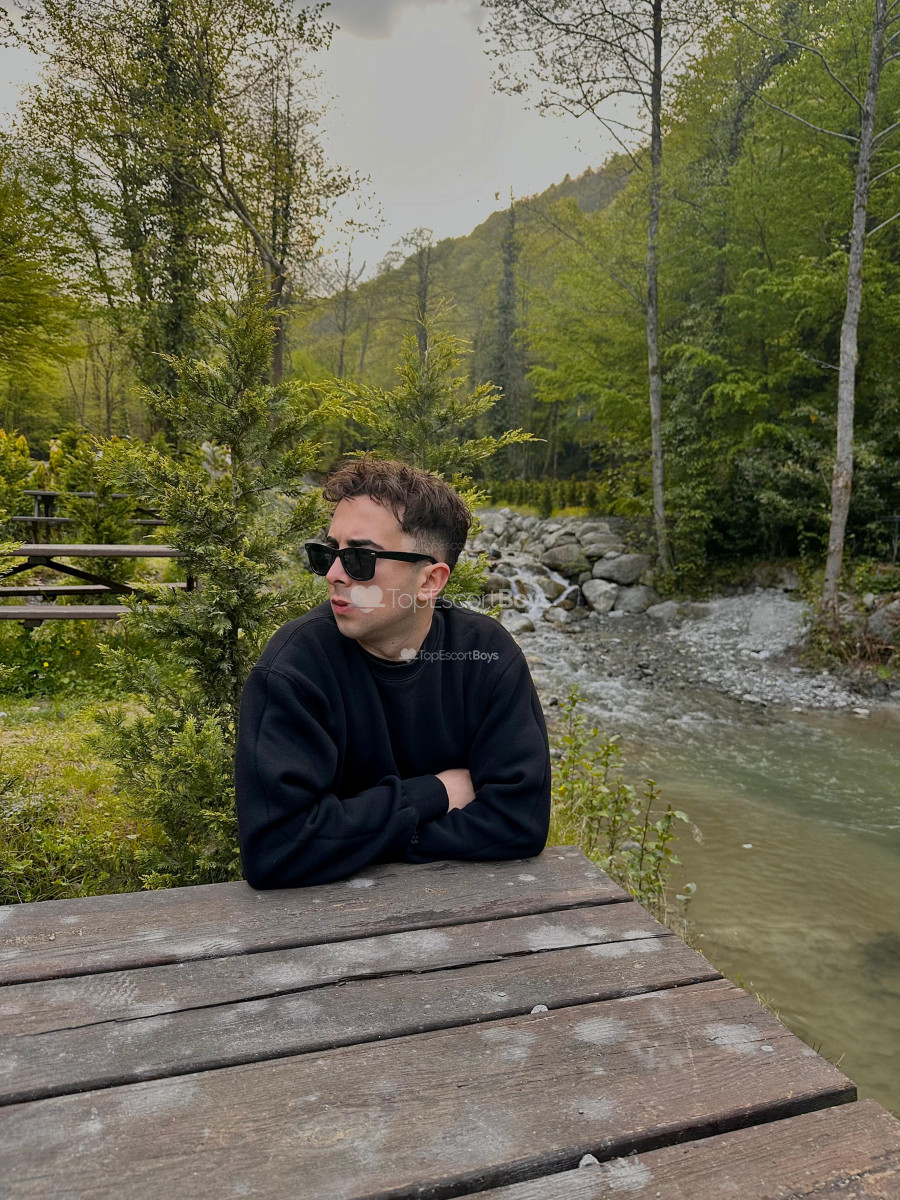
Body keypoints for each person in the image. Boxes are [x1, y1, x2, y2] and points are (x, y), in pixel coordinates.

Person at [235, 457, 551, 887]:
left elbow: (520, 823)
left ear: (430, 581)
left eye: (360, 558)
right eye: (328, 552)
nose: (333, 574)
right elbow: (276, 849)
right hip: (325, 920)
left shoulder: (487, 656)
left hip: (468, 909)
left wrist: (354, 838)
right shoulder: (295, 668)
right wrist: (434, 793)